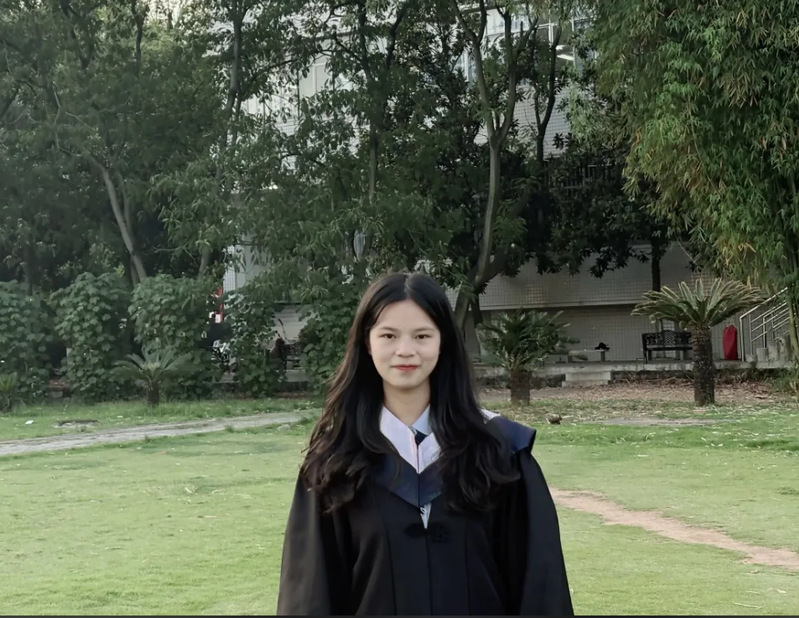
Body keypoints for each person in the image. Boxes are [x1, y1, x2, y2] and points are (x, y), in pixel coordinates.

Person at [276, 272, 573, 615]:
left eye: (422, 335)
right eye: (388, 335)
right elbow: (310, 595)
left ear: (442, 342)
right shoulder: (336, 461)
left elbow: (541, 586)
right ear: (367, 343)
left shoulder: (499, 452)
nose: (405, 350)